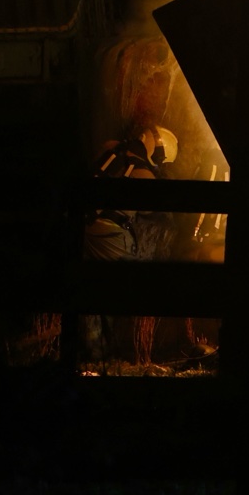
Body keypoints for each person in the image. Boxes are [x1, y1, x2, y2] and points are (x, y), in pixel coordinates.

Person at [82, 124, 178, 360]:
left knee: (88, 282)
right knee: (118, 285)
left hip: (82, 222)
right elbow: (149, 210)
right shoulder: (144, 174)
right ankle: (98, 354)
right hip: (109, 234)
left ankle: (91, 348)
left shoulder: (110, 148)